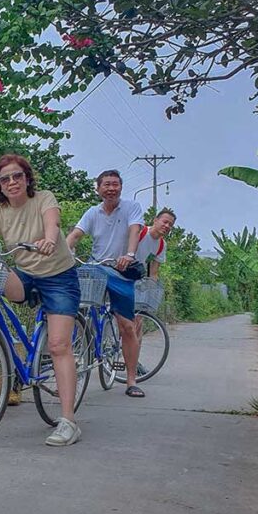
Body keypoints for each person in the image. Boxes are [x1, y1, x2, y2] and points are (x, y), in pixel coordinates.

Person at [0, 154, 84, 446]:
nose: (12, 182)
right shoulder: (0, 213)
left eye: (17, 176)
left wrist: (50, 239)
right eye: (5, 179)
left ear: (27, 179)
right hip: (25, 276)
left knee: (58, 345)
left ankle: (68, 421)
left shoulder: (43, 198)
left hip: (59, 277)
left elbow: (52, 222)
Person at [66, 169, 147, 397]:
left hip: (120, 272)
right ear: (98, 189)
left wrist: (129, 254)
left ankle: (131, 381)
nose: (111, 188)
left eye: (115, 184)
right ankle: (80, 348)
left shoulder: (132, 208)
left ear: (121, 187)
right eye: (106, 184)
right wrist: (63, 251)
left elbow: (134, 230)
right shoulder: (93, 212)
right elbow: (75, 234)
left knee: (127, 327)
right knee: (70, 308)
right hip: (96, 269)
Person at [136, 208, 176, 279]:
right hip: (118, 270)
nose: (167, 226)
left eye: (170, 225)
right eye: (165, 222)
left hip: (135, 277)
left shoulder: (162, 245)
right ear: (155, 220)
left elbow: (153, 273)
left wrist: (153, 287)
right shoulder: (140, 231)